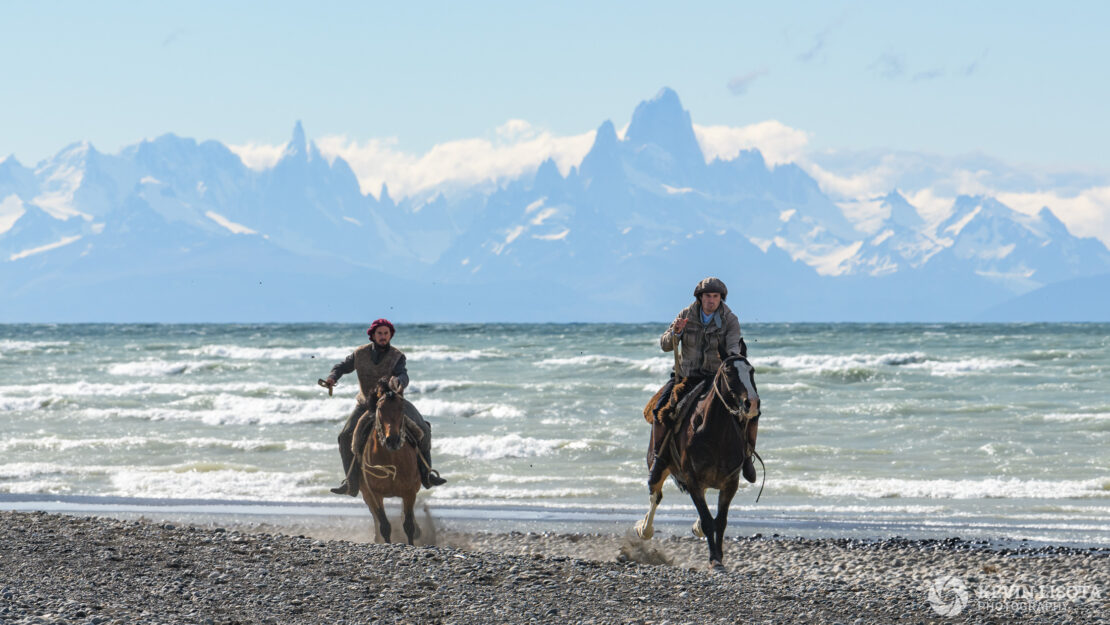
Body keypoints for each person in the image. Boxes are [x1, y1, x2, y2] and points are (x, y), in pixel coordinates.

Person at [322, 318, 446, 496]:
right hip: (366, 404)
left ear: (390, 336)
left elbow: (404, 375)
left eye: (386, 334)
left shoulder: (397, 356)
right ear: (372, 335)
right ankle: (351, 482)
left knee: (424, 429)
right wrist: (332, 377)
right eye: (379, 333)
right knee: (344, 437)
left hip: (392, 404)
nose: (383, 337)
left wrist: (399, 381)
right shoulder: (359, 354)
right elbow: (341, 367)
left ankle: (427, 474)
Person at [654, 277, 759, 483]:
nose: (711, 300)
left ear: (721, 298)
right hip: (687, 376)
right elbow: (665, 344)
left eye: (716, 296)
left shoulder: (730, 320)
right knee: (660, 410)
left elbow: (732, 349)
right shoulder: (685, 315)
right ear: (700, 297)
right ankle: (659, 461)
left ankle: (746, 457)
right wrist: (677, 332)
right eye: (708, 296)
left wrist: (732, 361)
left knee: (749, 412)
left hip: (716, 378)